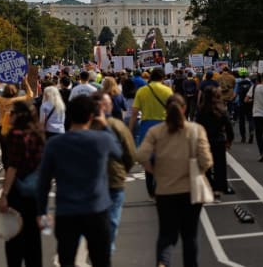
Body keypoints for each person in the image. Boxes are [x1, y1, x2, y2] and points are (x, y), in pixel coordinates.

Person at [36, 95, 121, 267]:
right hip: (97, 209)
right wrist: (104, 125)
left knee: (66, 259)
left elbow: (43, 182)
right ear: (92, 116)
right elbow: (119, 152)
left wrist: (42, 212)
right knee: (102, 260)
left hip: (66, 211)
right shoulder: (102, 140)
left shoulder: (54, 144)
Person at [137, 94, 212, 267]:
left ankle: (163, 262)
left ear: (166, 110)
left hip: (165, 190)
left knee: (166, 235)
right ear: (184, 108)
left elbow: (141, 154)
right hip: (190, 189)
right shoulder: (195, 130)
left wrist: (153, 170)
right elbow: (207, 160)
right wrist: (198, 169)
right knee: (190, 236)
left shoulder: (156, 131)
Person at [0, 101, 45, 267]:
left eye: (11, 113)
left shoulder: (16, 135)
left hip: (18, 191)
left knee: (14, 237)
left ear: (19, 115)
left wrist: (4, 194)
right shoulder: (38, 132)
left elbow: (13, 167)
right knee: (34, 239)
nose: (8, 116)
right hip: (35, 191)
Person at [93, 91, 136, 253]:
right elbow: (130, 154)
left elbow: (130, 153)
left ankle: (102, 252)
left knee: (101, 221)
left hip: (106, 180)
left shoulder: (86, 125)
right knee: (110, 221)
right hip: (109, 180)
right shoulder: (117, 126)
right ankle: (104, 251)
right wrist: (124, 170)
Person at [129, 68, 173, 198]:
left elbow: (134, 113)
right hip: (164, 126)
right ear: (162, 78)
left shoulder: (142, 91)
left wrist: (129, 130)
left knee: (148, 158)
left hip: (146, 127)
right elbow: (173, 110)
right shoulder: (167, 90)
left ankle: (151, 190)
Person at [196, 85, 234, 197]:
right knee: (220, 165)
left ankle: (208, 186)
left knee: (205, 166)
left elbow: (197, 126)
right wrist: (229, 139)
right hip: (218, 140)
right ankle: (220, 187)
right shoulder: (220, 109)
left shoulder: (201, 109)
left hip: (205, 140)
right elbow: (228, 125)